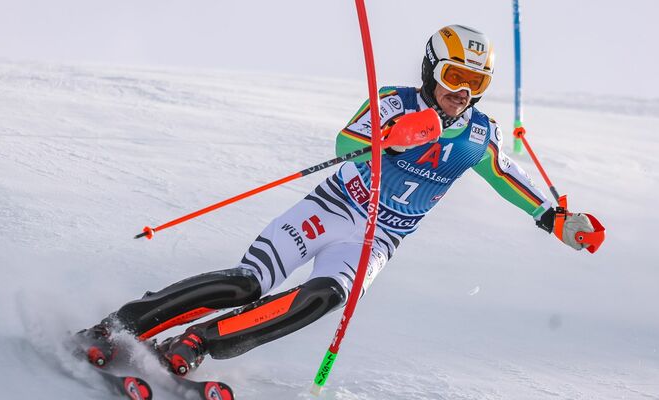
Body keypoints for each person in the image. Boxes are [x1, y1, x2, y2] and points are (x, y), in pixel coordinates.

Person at [77, 24, 595, 376]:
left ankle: (194, 343)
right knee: (248, 282)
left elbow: (508, 176)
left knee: (324, 298)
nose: (461, 92)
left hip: (377, 239)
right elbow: (345, 143)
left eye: (474, 82)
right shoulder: (393, 101)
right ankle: (119, 325)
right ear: (432, 70)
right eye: (453, 77)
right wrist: (395, 134)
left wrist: (556, 219)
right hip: (331, 210)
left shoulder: (480, 134)